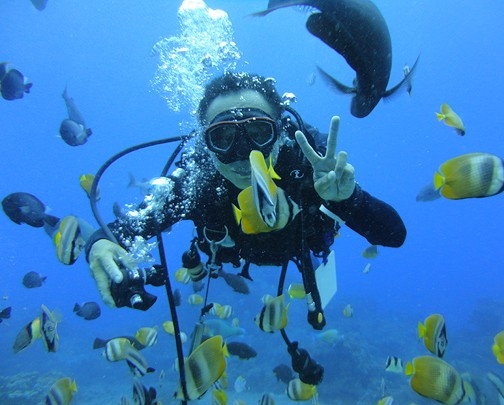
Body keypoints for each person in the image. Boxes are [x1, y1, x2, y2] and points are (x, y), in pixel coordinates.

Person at [85, 71, 406, 310]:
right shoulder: (200, 181)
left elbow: (394, 235)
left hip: (300, 251)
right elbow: (128, 227)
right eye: (223, 137)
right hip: (231, 254)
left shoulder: (310, 169)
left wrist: (348, 199)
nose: (243, 153)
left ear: (280, 132)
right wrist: (99, 243)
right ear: (206, 144)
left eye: (258, 132)